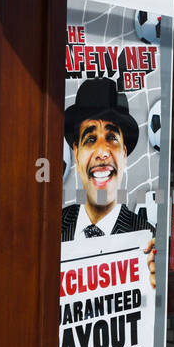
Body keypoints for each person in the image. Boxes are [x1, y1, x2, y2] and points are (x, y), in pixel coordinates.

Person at [62, 77, 155, 287]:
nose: (102, 152)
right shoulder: (54, 227)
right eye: (90, 139)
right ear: (76, 155)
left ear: (124, 153)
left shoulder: (145, 236)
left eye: (111, 137)